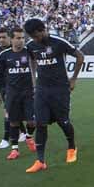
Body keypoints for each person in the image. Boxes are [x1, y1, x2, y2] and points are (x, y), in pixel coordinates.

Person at [23, 18, 85, 173]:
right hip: (42, 90)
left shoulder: (59, 42)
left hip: (60, 89)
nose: (35, 39)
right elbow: (32, 61)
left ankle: (71, 147)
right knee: (40, 123)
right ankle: (40, 160)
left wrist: (73, 79)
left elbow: (80, 56)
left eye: (37, 36)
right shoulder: (31, 46)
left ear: (43, 30)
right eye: (32, 37)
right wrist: (34, 81)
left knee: (63, 122)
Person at [0, 28, 37, 160]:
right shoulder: (4, 55)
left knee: (32, 121)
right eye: (18, 38)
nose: (21, 41)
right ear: (11, 39)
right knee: (13, 122)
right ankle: (15, 149)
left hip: (29, 92)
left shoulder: (30, 52)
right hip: (12, 93)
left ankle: (29, 137)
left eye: (23, 38)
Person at [0, 30, 20, 149]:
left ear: (10, 38)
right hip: (3, 86)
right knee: (9, 111)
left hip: (16, 86)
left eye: (4, 37)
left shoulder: (17, 49)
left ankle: (8, 137)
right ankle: (13, 136)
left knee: (11, 111)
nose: (1, 39)